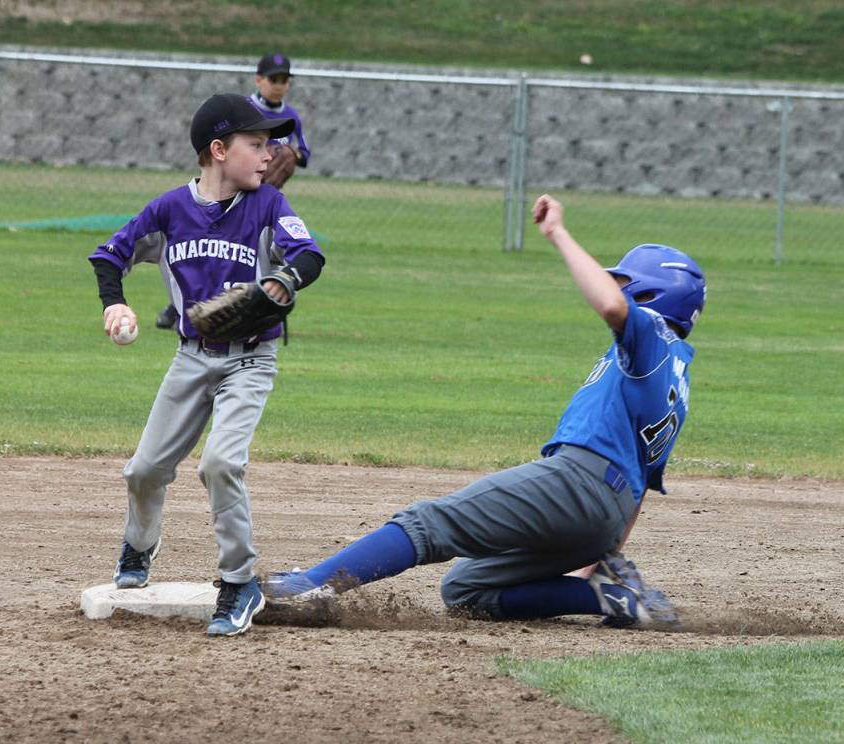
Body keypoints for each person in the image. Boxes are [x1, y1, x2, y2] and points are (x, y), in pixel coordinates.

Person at [265, 194, 705, 628]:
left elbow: (612, 306)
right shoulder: (676, 378)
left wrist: (558, 233)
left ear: (653, 293)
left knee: (429, 523)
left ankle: (308, 585)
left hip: (577, 482)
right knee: (465, 589)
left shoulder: (651, 333)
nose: (618, 288)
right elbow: (641, 488)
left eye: (626, 282)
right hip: (603, 515)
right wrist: (603, 556)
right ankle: (610, 598)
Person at [89, 93, 326, 637]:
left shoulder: (268, 206)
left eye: (271, 144)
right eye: (256, 144)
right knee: (144, 470)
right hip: (191, 357)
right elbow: (109, 255)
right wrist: (115, 302)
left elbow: (309, 255)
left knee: (219, 463)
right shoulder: (170, 211)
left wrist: (284, 279)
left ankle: (240, 583)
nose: (269, 156)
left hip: (251, 360)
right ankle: (139, 546)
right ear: (218, 150)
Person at [156, 52, 312, 331]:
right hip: (229, 193)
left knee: (264, 253)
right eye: (274, 78)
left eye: (285, 79)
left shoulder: (291, 117)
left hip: (262, 194)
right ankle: (180, 305)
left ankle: (262, 312)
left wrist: (285, 156)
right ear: (259, 79)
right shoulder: (243, 111)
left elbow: (304, 155)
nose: (280, 84)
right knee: (202, 249)